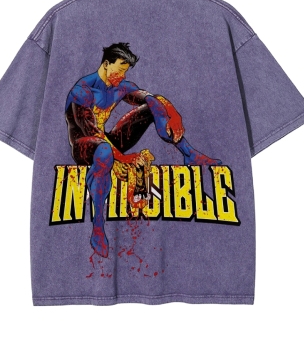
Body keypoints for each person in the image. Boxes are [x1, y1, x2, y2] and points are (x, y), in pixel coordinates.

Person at [65, 43, 221, 257]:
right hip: (85, 148)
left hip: (107, 143)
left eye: (125, 71)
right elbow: (91, 131)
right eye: (120, 70)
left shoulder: (119, 86)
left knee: (152, 108)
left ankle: (189, 154)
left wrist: (174, 114)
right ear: (106, 64)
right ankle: (98, 228)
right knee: (104, 151)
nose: (122, 76)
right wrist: (124, 159)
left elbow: (152, 99)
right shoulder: (81, 91)